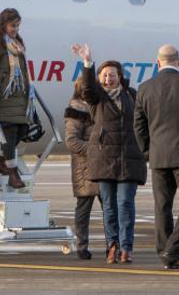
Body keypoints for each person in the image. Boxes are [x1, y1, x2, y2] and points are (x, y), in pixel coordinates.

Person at [133, 44, 179, 270]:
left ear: (158, 62)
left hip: (158, 156)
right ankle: (173, 249)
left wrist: (147, 151)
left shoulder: (145, 88)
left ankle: (168, 252)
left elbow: (138, 125)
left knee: (162, 206)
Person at [72, 44, 147, 264]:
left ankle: (126, 247)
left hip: (128, 158)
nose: (108, 79)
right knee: (109, 208)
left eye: (112, 75)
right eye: (104, 76)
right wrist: (87, 62)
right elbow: (87, 88)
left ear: (120, 77)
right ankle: (111, 246)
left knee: (125, 204)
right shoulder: (97, 99)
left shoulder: (132, 96)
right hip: (104, 159)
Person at [0, 8, 30, 189]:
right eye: (12, 25)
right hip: (4, 98)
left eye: (17, 25)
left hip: (20, 98)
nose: (15, 29)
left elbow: (23, 71)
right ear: (3, 24)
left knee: (22, 131)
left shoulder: (16, 43)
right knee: (8, 136)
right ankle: (12, 172)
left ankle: (0, 161)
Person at [64, 77, 102, 260]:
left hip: (104, 166)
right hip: (85, 167)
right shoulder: (77, 109)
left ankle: (114, 244)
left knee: (111, 209)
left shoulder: (101, 106)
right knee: (84, 208)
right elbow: (72, 141)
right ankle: (82, 245)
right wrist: (95, 150)